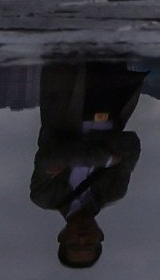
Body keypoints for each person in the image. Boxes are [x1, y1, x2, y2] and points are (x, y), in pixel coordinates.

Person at [29, 56, 147, 268]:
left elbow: (48, 157)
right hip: (115, 94)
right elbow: (130, 144)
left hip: (67, 88)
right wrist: (72, 151)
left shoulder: (44, 196)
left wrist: (107, 159)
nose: (82, 238)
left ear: (62, 236)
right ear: (100, 235)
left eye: (74, 244)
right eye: (89, 244)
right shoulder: (114, 190)